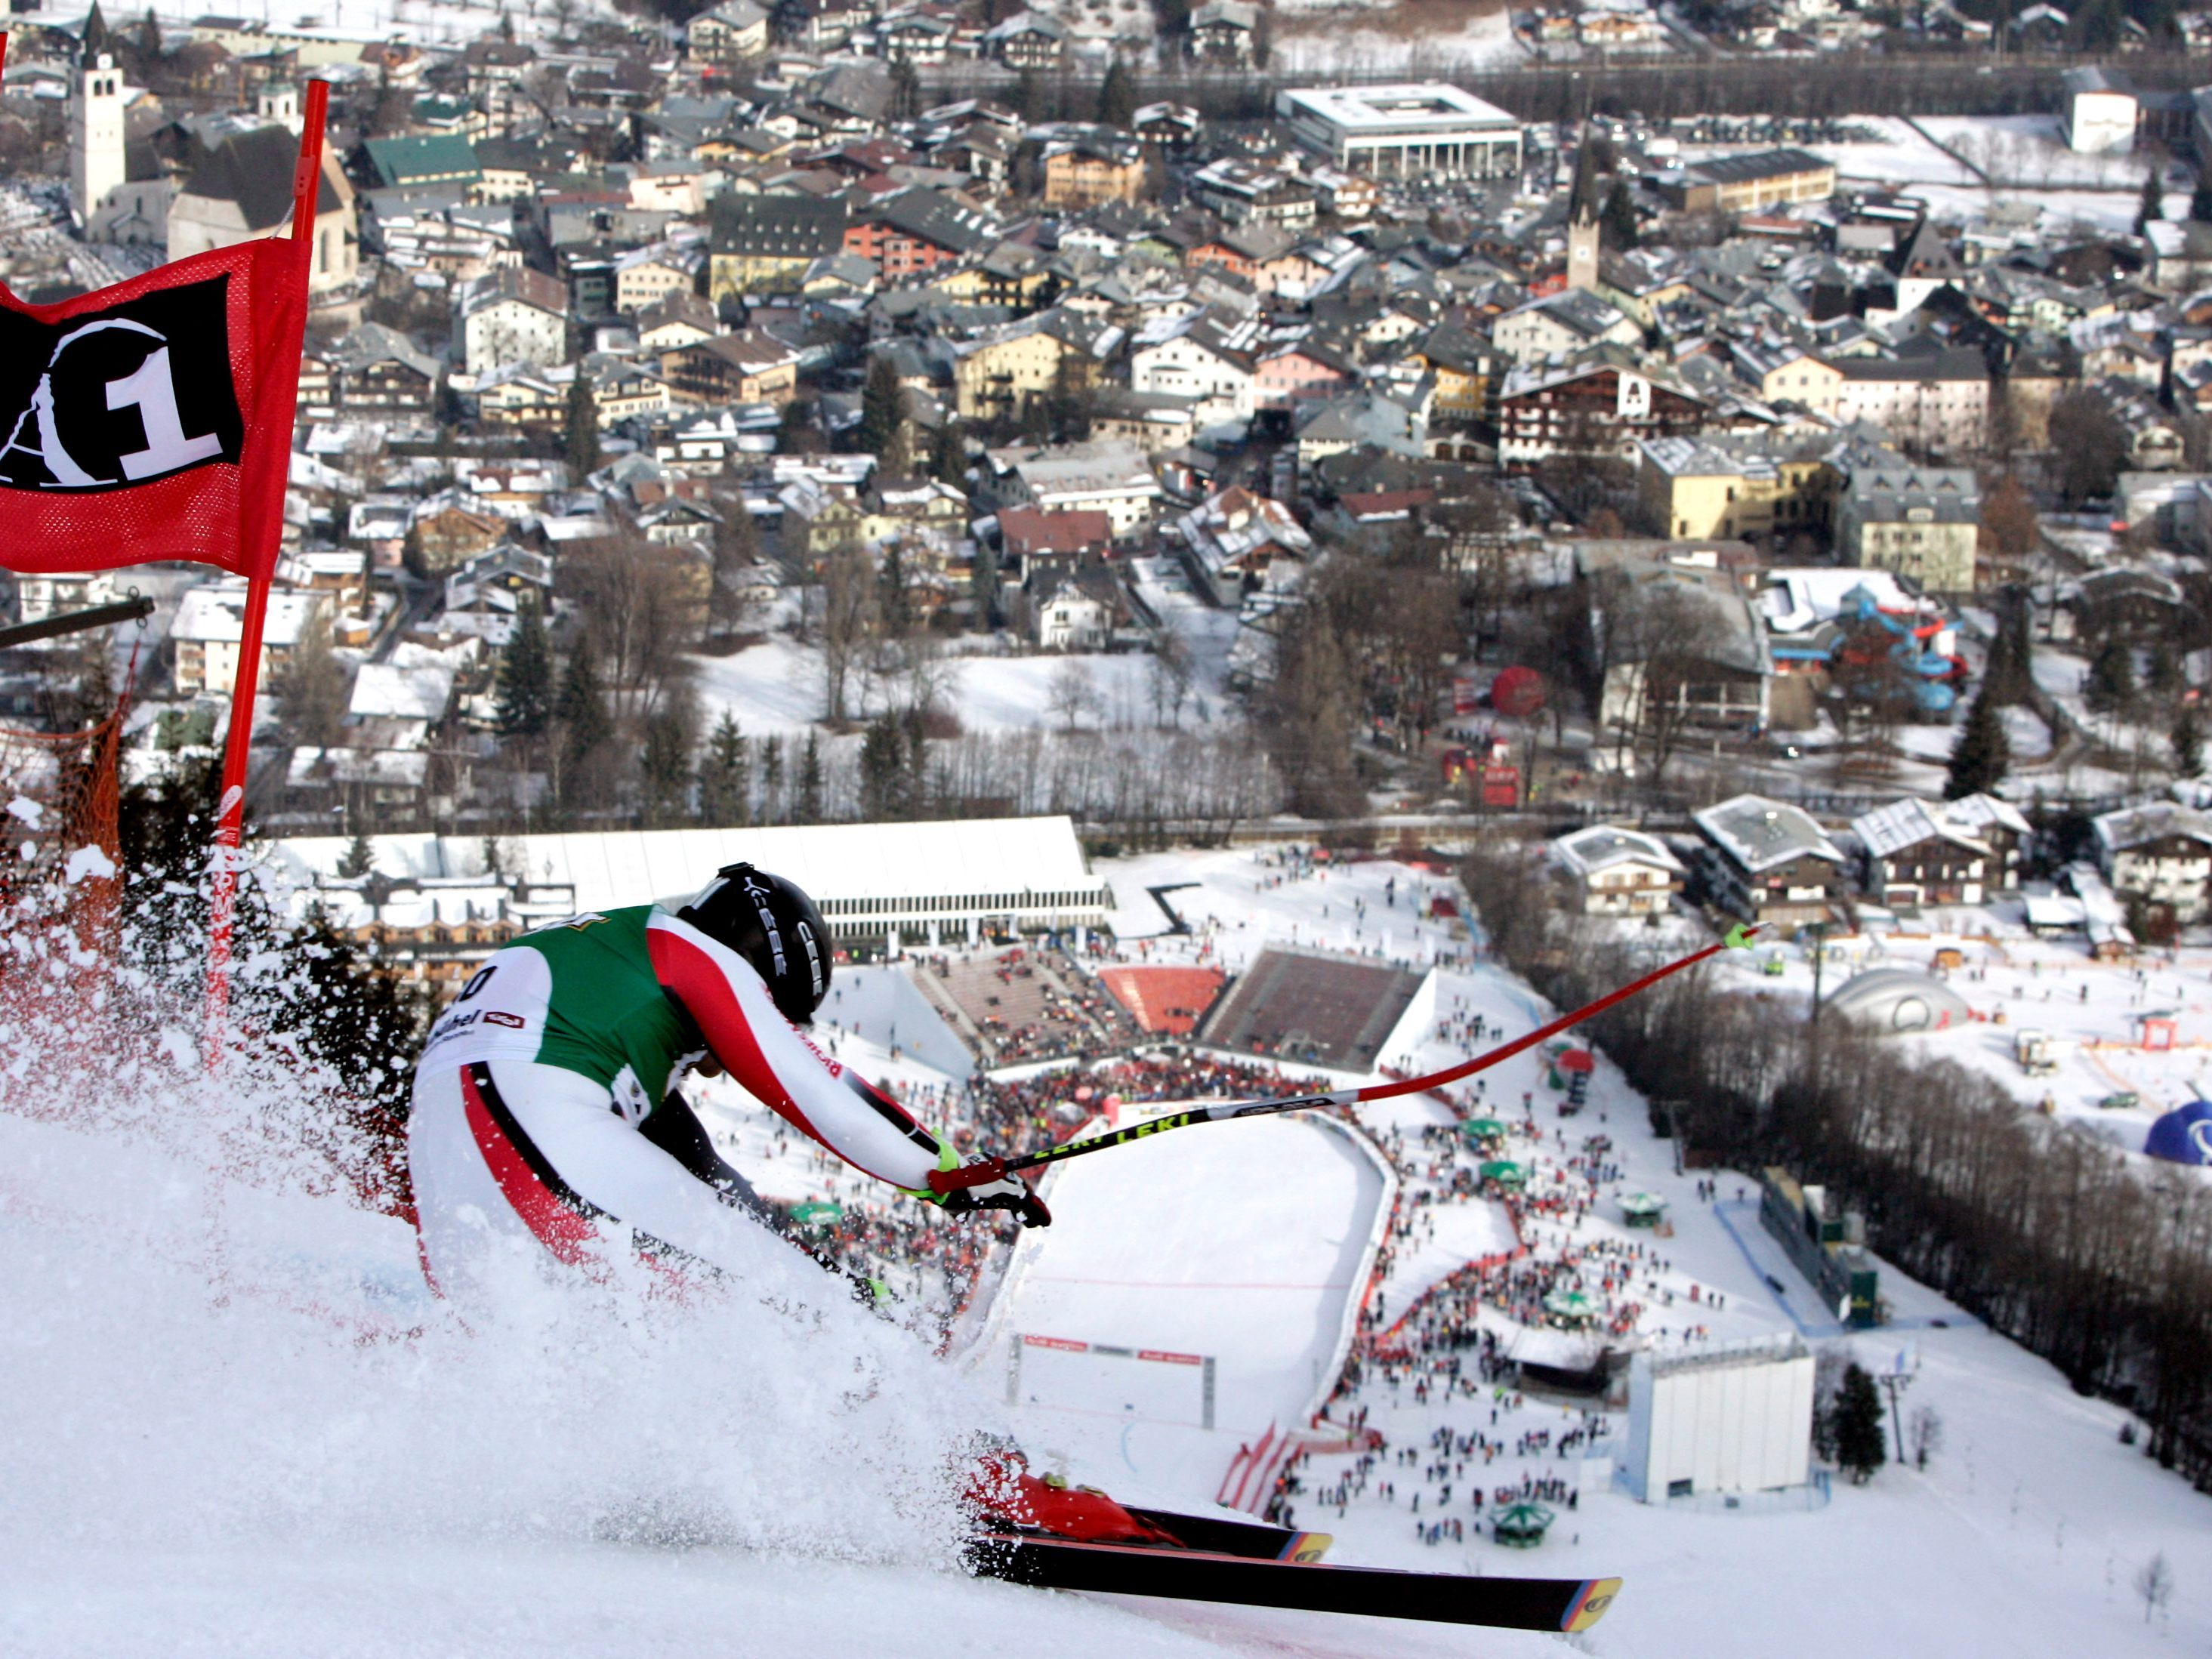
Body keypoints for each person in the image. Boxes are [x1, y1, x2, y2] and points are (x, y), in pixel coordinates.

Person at [406, 862, 1047, 1309]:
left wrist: (809, 1259)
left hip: (459, 1183)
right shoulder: (693, 950)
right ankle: (955, 1473)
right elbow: (816, 1090)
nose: (717, 1061)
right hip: (528, 1137)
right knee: (806, 1311)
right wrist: (944, 1173)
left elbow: (708, 1177)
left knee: (703, 1311)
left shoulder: (606, 980)